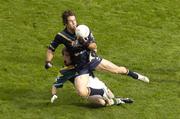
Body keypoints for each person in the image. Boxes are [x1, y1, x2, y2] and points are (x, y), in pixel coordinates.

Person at [45, 10, 149, 99]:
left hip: (92, 60)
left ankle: (137, 76)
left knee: (118, 70)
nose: (74, 23)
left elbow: (94, 46)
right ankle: (103, 92)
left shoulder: (83, 30)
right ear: (65, 23)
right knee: (81, 92)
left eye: (74, 20)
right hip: (81, 66)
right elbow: (51, 49)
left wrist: (84, 42)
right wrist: (48, 61)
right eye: (71, 21)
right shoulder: (61, 36)